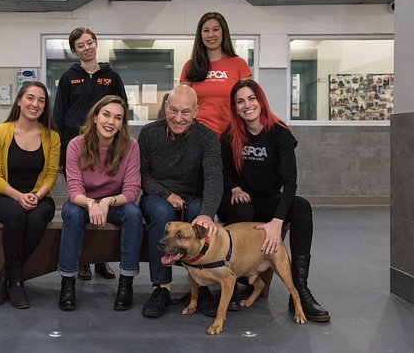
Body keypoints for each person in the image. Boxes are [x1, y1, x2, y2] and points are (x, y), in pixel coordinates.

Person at [217, 79, 330, 322]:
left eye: (251, 98)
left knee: (301, 207)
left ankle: (299, 290)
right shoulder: (230, 134)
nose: (246, 105)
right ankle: (233, 283)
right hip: (239, 201)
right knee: (242, 206)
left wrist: (277, 221)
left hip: (269, 200)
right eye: (240, 101)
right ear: (235, 108)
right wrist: (234, 187)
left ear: (260, 100)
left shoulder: (280, 133)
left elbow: (291, 182)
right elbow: (221, 171)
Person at [138, 84, 223, 318]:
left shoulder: (208, 138)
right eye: (173, 110)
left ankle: (202, 285)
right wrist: (166, 194)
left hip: (194, 198)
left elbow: (215, 179)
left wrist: (206, 213)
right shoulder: (148, 133)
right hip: (157, 198)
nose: (178, 118)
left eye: (185, 112)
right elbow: (142, 175)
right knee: (162, 214)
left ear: (196, 111)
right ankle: (161, 288)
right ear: (165, 107)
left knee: (200, 220)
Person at [54, 27, 128, 281]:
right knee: (82, 206)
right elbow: (58, 117)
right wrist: (61, 157)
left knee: (105, 205)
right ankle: (83, 261)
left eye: (89, 42)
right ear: (75, 51)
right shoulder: (68, 77)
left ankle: (101, 261)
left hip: (107, 153)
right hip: (76, 153)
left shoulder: (112, 77)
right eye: (80, 45)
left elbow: (122, 112)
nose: (86, 48)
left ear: (96, 43)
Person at [57, 95, 143, 311]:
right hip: (82, 202)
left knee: (133, 214)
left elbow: (132, 190)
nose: (110, 122)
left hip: (114, 203)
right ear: (95, 117)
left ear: (122, 124)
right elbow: (74, 190)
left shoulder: (130, 146)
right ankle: (67, 282)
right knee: (73, 214)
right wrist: (91, 204)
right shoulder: (76, 145)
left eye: (118, 118)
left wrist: (106, 201)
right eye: (106, 114)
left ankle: (126, 283)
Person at [0, 81, 60, 309]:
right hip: (5, 197)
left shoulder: (51, 136)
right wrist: (19, 196)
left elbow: (51, 175)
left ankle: (3, 276)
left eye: (41, 100)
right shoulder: (0, 132)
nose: (35, 104)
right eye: (30, 98)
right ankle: (16, 281)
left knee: (37, 217)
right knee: (17, 215)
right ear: (19, 100)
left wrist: (38, 195)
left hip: (39, 196)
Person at [180, 11, 252, 136]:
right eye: (206, 30)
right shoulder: (190, 66)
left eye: (216, 29)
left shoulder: (239, 64)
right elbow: (182, 103)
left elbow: (249, 102)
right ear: (200, 34)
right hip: (198, 136)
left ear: (223, 32)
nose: (211, 35)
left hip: (232, 134)